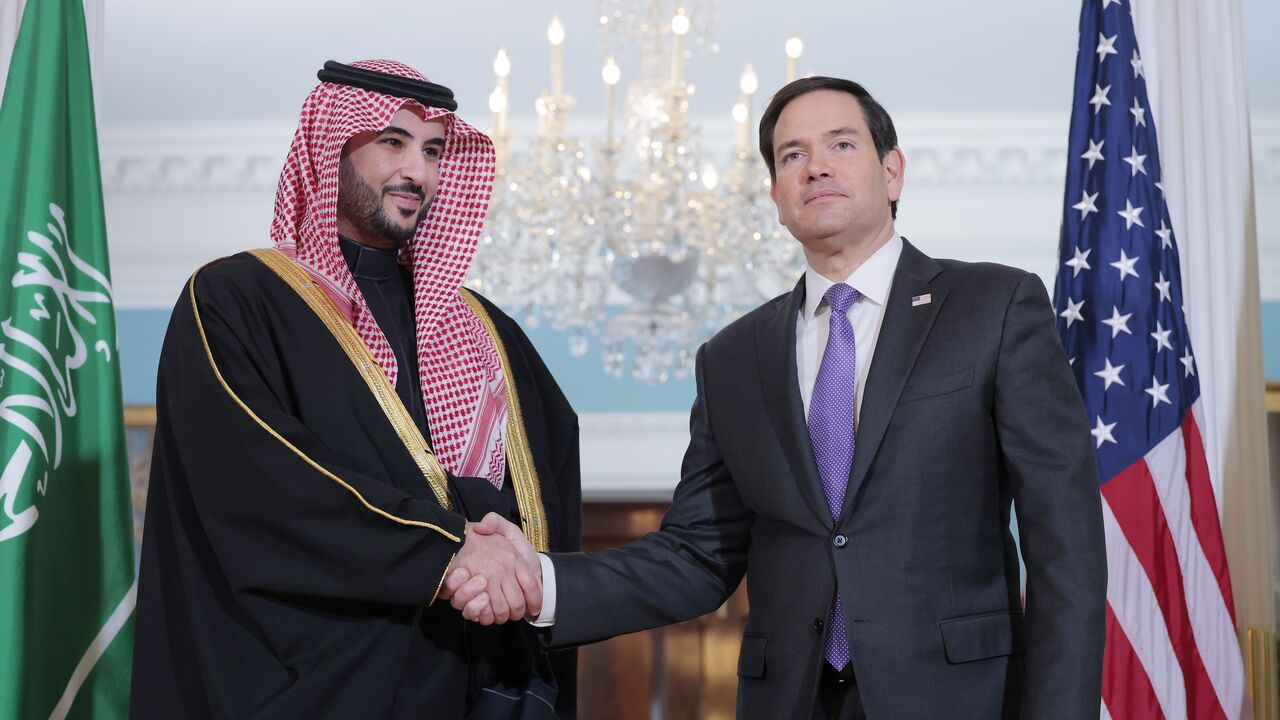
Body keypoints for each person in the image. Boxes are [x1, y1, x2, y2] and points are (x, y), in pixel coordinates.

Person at [450, 77, 1107, 719]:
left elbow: (1065, 550)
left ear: (893, 171)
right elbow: (697, 555)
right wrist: (542, 580)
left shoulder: (994, 306)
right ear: (776, 195)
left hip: (961, 697)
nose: (816, 167)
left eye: (841, 145)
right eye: (793, 155)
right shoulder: (732, 357)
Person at [131, 59, 581, 719]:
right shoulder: (239, 299)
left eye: (432, 151)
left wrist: (501, 570)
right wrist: (447, 551)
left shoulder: (488, 331)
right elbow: (262, 480)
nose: (418, 172)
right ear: (330, 148)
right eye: (393, 142)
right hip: (321, 689)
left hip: (475, 691)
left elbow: (543, 489)